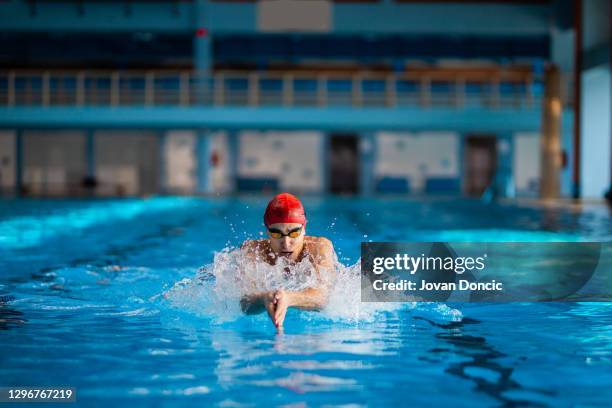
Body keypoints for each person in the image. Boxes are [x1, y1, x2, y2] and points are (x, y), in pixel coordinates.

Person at [239, 192, 336, 329]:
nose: (285, 242)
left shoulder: (319, 247)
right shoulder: (253, 250)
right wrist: (263, 298)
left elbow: (324, 297)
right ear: (267, 231)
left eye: (294, 233)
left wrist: (289, 298)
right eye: (276, 233)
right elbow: (244, 304)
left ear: (304, 229)